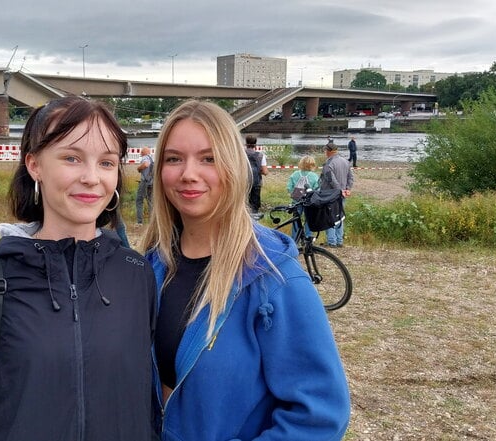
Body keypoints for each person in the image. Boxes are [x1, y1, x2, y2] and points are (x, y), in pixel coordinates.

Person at [0, 96, 157, 440]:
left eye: (107, 163)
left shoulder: (136, 275)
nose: (92, 178)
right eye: (71, 158)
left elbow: (148, 401)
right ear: (34, 165)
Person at [141, 100, 350, 441]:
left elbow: (320, 417)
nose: (188, 173)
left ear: (234, 167)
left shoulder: (274, 279)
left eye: (208, 158)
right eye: (174, 158)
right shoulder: (151, 265)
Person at [320, 141, 355, 247]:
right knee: (340, 217)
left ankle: (332, 241)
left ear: (329, 151)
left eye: (326, 150)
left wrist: (340, 190)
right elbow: (351, 177)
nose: (325, 152)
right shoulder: (345, 161)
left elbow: (331, 179)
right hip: (342, 194)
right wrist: (347, 189)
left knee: (329, 217)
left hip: (330, 194)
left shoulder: (329, 163)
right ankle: (339, 240)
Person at [286, 155, 320, 240]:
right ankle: (308, 238)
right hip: (309, 202)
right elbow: (317, 188)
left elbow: (289, 187)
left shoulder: (295, 174)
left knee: (295, 220)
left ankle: (295, 239)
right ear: (312, 165)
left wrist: (292, 193)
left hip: (296, 201)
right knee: (309, 220)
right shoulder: (314, 176)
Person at [244, 135, 268, 217]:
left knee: (243, 203)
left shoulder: (240, 154)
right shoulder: (260, 155)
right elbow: (265, 172)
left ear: (246, 143)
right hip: (256, 182)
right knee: (254, 204)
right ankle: (254, 221)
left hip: (243, 182)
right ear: (255, 144)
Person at [135, 146, 154, 224]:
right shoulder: (151, 159)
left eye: (141, 152)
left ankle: (139, 222)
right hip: (152, 182)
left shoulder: (145, 158)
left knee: (139, 201)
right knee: (150, 201)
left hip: (145, 182)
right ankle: (152, 222)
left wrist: (138, 168)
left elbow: (146, 164)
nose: (140, 153)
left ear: (143, 153)